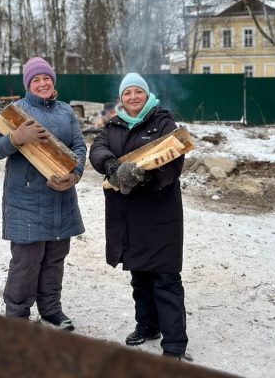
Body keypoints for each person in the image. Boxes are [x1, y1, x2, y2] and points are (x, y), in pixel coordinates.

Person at [88, 72, 190, 360]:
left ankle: (174, 344)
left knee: (165, 278)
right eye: (127, 93)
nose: (133, 97)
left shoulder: (162, 122)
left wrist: (144, 179)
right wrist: (111, 166)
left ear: (147, 95)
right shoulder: (114, 125)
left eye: (138, 92)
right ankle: (147, 326)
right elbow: (98, 149)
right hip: (128, 215)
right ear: (121, 98)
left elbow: (174, 161)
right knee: (140, 275)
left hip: (159, 213)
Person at [0, 56, 86, 331]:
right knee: (26, 262)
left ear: (53, 81)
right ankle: (17, 316)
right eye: (36, 79)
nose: (42, 83)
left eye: (46, 78)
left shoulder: (66, 111)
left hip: (60, 197)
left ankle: (52, 309)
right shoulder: (15, 111)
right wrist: (16, 138)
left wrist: (74, 175)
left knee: (55, 258)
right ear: (28, 84)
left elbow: (79, 146)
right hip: (26, 200)